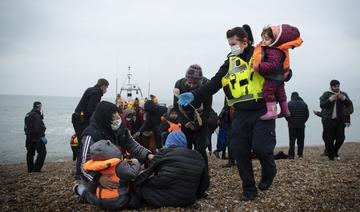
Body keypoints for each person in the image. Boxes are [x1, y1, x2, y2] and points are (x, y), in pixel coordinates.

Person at [177, 25, 277, 201]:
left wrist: (282, 72)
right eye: (229, 44)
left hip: (262, 109)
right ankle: (249, 190)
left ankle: (269, 171)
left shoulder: (262, 54)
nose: (231, 47)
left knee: (262, 148)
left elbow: (282, 69)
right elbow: (215, 82)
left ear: (245, 42)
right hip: (240, 112)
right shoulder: (230, 60)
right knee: (238, 150)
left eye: (234, 43)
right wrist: (194, 94)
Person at [78, 101, 154, 198]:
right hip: (96, 176)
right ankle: (81, 190)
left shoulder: (121, 129)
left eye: (117, 115)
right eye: (113, 117)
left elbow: (133, 145)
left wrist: (148, 155)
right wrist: (99, 178)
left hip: (115, 170)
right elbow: (83, 166)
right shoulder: (91, 135)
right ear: (104, 118)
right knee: (110, 200)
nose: (117, 119)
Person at [133, 131, 210, 208]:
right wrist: (197, 194)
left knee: (142, 188)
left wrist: (134, 184)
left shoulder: (163, 153)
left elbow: (146, 174)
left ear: (168, 141)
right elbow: (205, 183)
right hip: (187, 200)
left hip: (161, 199)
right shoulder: (197, 156)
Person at [253, 24, 303, 120]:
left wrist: (258, 67)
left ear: (275, 39)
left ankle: (272, 112)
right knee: (281, 94)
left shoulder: (273, 51)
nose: (263, 41)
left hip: (272, 78)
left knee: (268, 92)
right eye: (262, 38)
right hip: (280, 78)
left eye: (266, 39)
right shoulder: (280, 50)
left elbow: (272, 65)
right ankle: (285, 110)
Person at [73, 140, 141, 210]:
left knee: (87, 195)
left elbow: (92, 185)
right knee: (133, 199)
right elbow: (133, 173)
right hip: (117, 201)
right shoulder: (118, 166)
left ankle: (78, 189)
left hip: (98, 200)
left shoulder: (95, 167)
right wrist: (136, 162)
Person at [173, 64, 213, 167]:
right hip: (185, 119)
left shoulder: (207, 84)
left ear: (200, 81)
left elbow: (208, 109)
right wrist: (186, 122)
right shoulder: (179, 84)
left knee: (200, 149)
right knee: (186, 147)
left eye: (195, 83)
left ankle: (203, 174)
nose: (191, 85)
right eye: (189, 82)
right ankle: (187, 170)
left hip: (201, 119)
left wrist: (198, 125)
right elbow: (176, 107)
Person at [72, 78, 109, 179]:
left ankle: (80, 170)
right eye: (106, 88)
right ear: (103, 86)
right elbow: (91, 109)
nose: (106, 90)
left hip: (77, 118)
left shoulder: (90, 89)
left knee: (81, 144)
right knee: (84, 145)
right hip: (82, 120)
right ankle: (80, 172)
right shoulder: (97, 92)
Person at [319, 80, 353, 160]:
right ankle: (331, 155)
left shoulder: (344, 94)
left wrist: (344, 98)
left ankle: (335, 151)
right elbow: (322, 105)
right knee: (328, 139)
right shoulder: (326, 94)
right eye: (335, 86)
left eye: (338, 86)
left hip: (341, 120)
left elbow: (349, 104)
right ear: (331, 87)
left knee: (341, 138)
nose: (337, 88)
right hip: (328, 120)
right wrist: (330, 99)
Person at [24, 101, 47, 172]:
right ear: (38, 107)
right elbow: (37, 128)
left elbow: (26, 126)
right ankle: (36, 170)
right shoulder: (36, 116)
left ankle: (30, 169)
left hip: (28, 137)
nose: (41, 108)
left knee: (30, 153)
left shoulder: (27, 114)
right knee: (42, 152)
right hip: (37, 138)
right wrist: (42, 136)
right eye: (40, 106)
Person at [285, 92, 309, 159]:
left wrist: (289, 121)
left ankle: (291, 155)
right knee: (301, 140)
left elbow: (286, 114)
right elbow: (307, 115)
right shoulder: (304, 104)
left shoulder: (289, 104)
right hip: (301, 125)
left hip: (291, 125)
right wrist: (303, 121)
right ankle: (300, 155)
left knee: (292, 140)